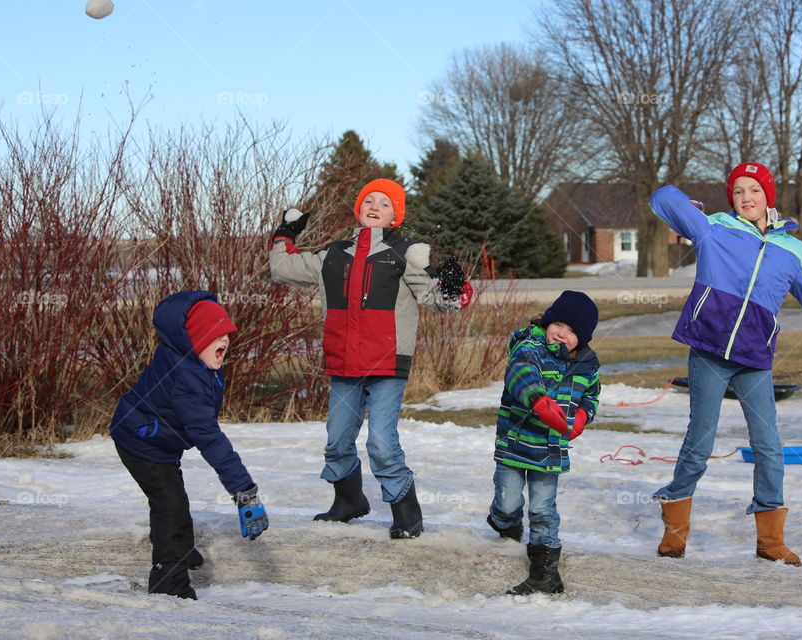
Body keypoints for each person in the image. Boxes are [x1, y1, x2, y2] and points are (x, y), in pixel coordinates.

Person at [650, 162, 802, 566]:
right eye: (739, 191)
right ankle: (674, 529)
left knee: (769, 447)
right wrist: (684, 206)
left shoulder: (792, 250)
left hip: (754, 358)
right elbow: (660, 198)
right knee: (700, 442)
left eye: (755, 191)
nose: (746, 198)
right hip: (709, 351)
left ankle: (770, 541)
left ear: (768, 197)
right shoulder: (712, 227)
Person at [269, 178, 470, 539]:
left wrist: (455, 288)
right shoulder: (333, 255)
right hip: (345, 363)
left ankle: (407, 513)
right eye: (369, 200)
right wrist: (284, 233)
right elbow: (283, 268)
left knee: (381, 441)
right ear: (359, 209)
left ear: (396, 216)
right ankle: (349, 501)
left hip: (387, 365)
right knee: (337, 439)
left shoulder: (406, 254)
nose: (375, 205)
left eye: (385, 203)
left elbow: (438, 301)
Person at [110, 291, 267, 599]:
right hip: (140, 442)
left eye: (226, 334)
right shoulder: (186, 379)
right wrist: (244, 493)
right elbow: (209, 437)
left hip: (156, 438)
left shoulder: (193, 357)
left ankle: (179, 550)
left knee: (171, 502)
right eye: (213, 336)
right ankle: (169, 583)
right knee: (172, 507)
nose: (223, 341)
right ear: (192, 341)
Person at [488, 290, 601, 595]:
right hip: (515, 442)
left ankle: (544, 574)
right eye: (559, 325)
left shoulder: (587, 364)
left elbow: (591, 395)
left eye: (573, 331)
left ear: (584, 338)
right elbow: (521, 374)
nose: (562, 334)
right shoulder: (530, 347)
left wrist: (581, 416)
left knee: (543, 510)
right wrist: (539, 403)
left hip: (550, 449)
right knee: (508, 503)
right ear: (548, 321)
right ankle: (504, 522)